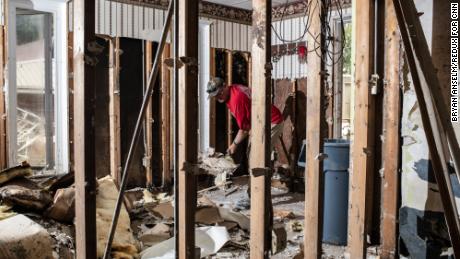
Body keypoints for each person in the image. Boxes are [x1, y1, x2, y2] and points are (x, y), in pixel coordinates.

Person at [206, 77, 284, 157]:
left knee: (259, 157)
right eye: (215, 96)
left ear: (225, 86)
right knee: (252, 154)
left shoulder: (236, 99)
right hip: (260, 122)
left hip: (271, 121)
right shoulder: (233, 89)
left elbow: (244, 130)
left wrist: (234, 145)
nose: (219, 97)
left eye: (220, 93)